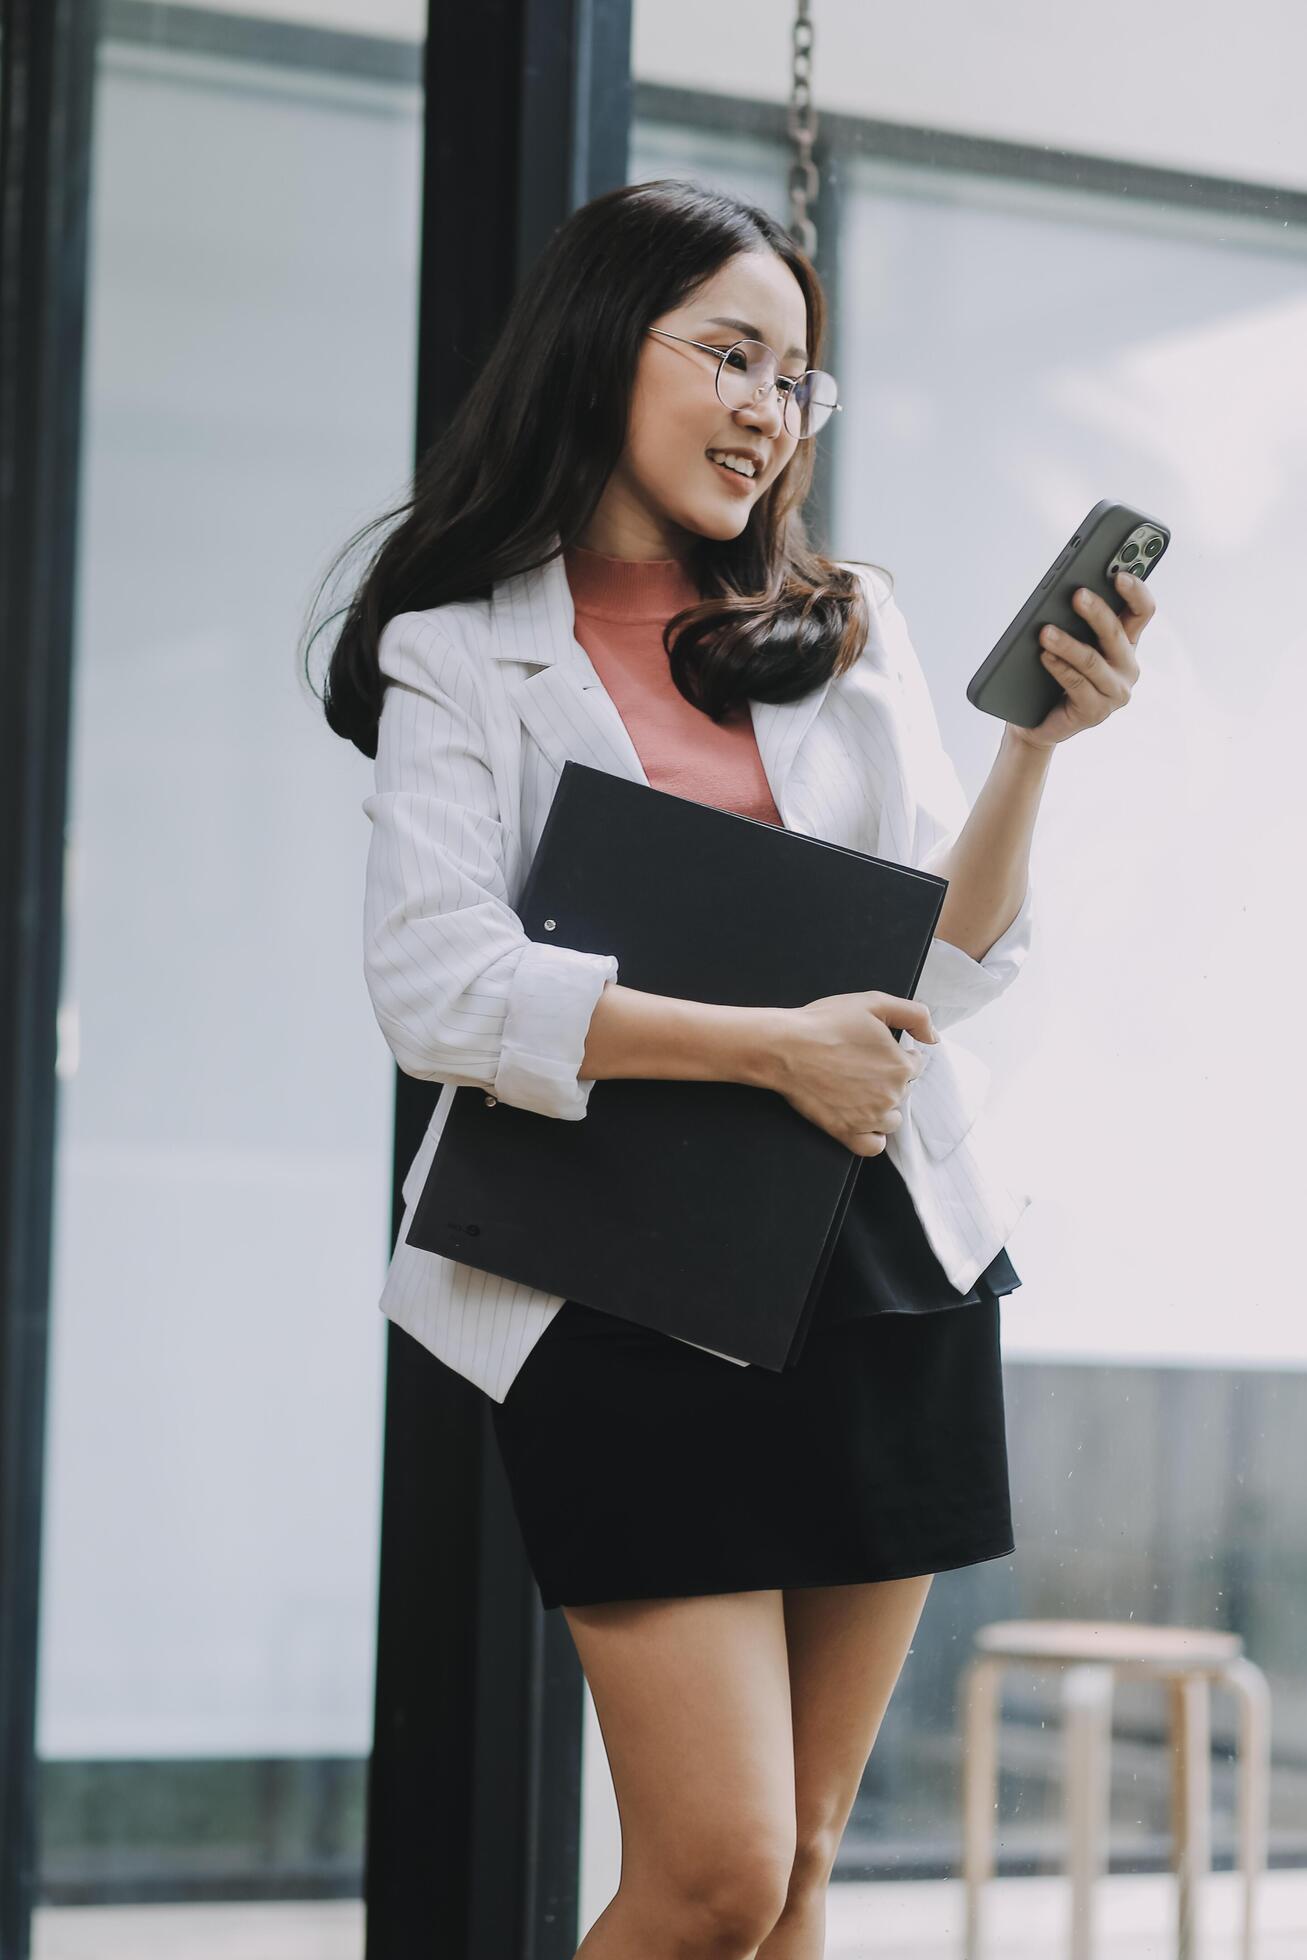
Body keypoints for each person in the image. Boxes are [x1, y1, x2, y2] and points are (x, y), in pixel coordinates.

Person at [312, 177, 1151, 1960]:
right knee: (714, 1871)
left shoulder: (846, 625)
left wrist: (1034, 758)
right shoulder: (457, 651)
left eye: (799, 378)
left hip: (880, 1262)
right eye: (734, 356)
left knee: (810, 1866)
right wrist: (773, 1052)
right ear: (604, 346)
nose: (772, 411)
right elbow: (436, 985)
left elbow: (940, 962)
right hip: (615, 1286)